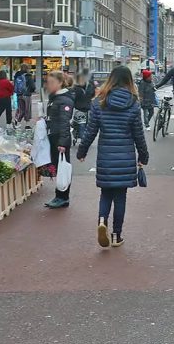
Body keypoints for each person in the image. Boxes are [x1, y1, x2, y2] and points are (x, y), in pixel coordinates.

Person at [76, 66, 149, 247]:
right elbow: (139, 134)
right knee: (120, 197)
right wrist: (143, 156)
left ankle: (102, 221)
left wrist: (82, 151)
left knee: (105, 193)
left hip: (106, 157)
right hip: (125, 157)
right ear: (128, 81)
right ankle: (117, 235)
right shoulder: (133, 103)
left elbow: (90, 131)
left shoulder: (100, 101)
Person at [44, 70, 76, 209]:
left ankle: (62, 197)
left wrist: (62, 142)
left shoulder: (64, 100)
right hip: (55, 136)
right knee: (58, 166)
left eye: (52, 82)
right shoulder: (55, 98)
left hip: (60, 138)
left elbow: (64, 122)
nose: (49, 85)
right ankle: (60, 195)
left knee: (63, 167)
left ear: (60, 83)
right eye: (48, 82)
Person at [72, 70, 96, 142]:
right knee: (82, 125)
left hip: (88, 108)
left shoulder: (90, 86)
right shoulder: (76, 88)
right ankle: (83, 140)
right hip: (79, 108)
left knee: (88, 125)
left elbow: (92, 94)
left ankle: (83, 138)